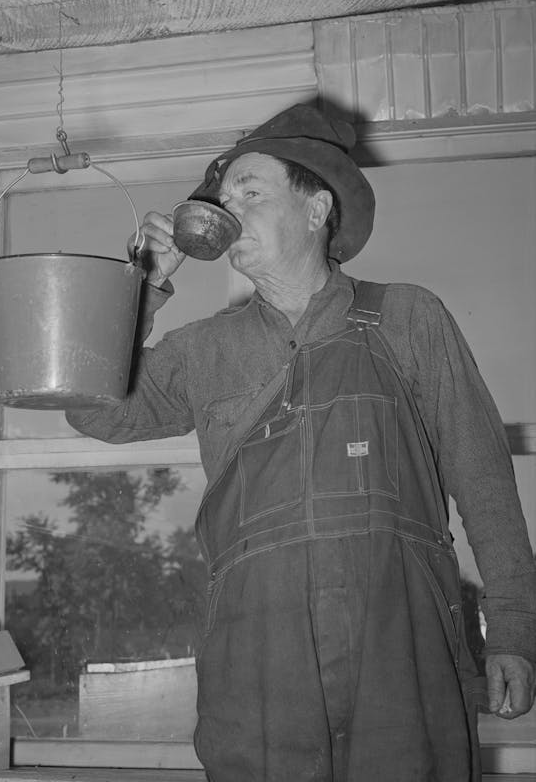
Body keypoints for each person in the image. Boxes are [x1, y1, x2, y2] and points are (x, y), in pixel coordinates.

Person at [66, 100, 536, 781]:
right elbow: (93, 411)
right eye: (222, 200)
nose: (228, 211)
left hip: (402, 651)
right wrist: (139, 285)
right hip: (259, 661)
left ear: (316, 210)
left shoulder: (409, 318)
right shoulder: (204, 351)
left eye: (249, 193)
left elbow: (485, 482)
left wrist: (515, 633)